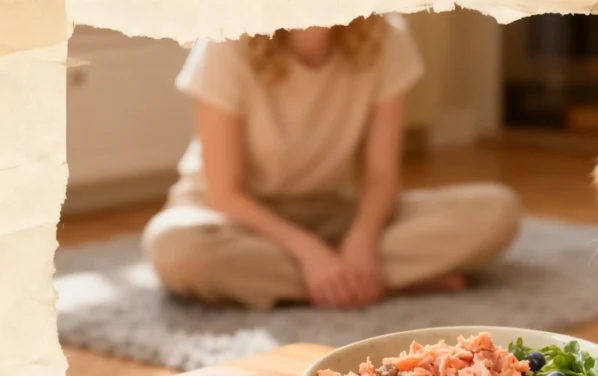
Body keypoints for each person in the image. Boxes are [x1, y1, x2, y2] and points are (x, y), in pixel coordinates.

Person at [142, 15, 522, 310]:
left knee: (496, 210)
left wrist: (362, 240)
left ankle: (314, 282)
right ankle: (373, 283)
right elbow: (225, 194)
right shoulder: (226, 40)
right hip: (231, 219)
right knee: (174, 250)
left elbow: (380, 174)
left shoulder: (387, 38)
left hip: (332, 209)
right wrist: (310, 252)